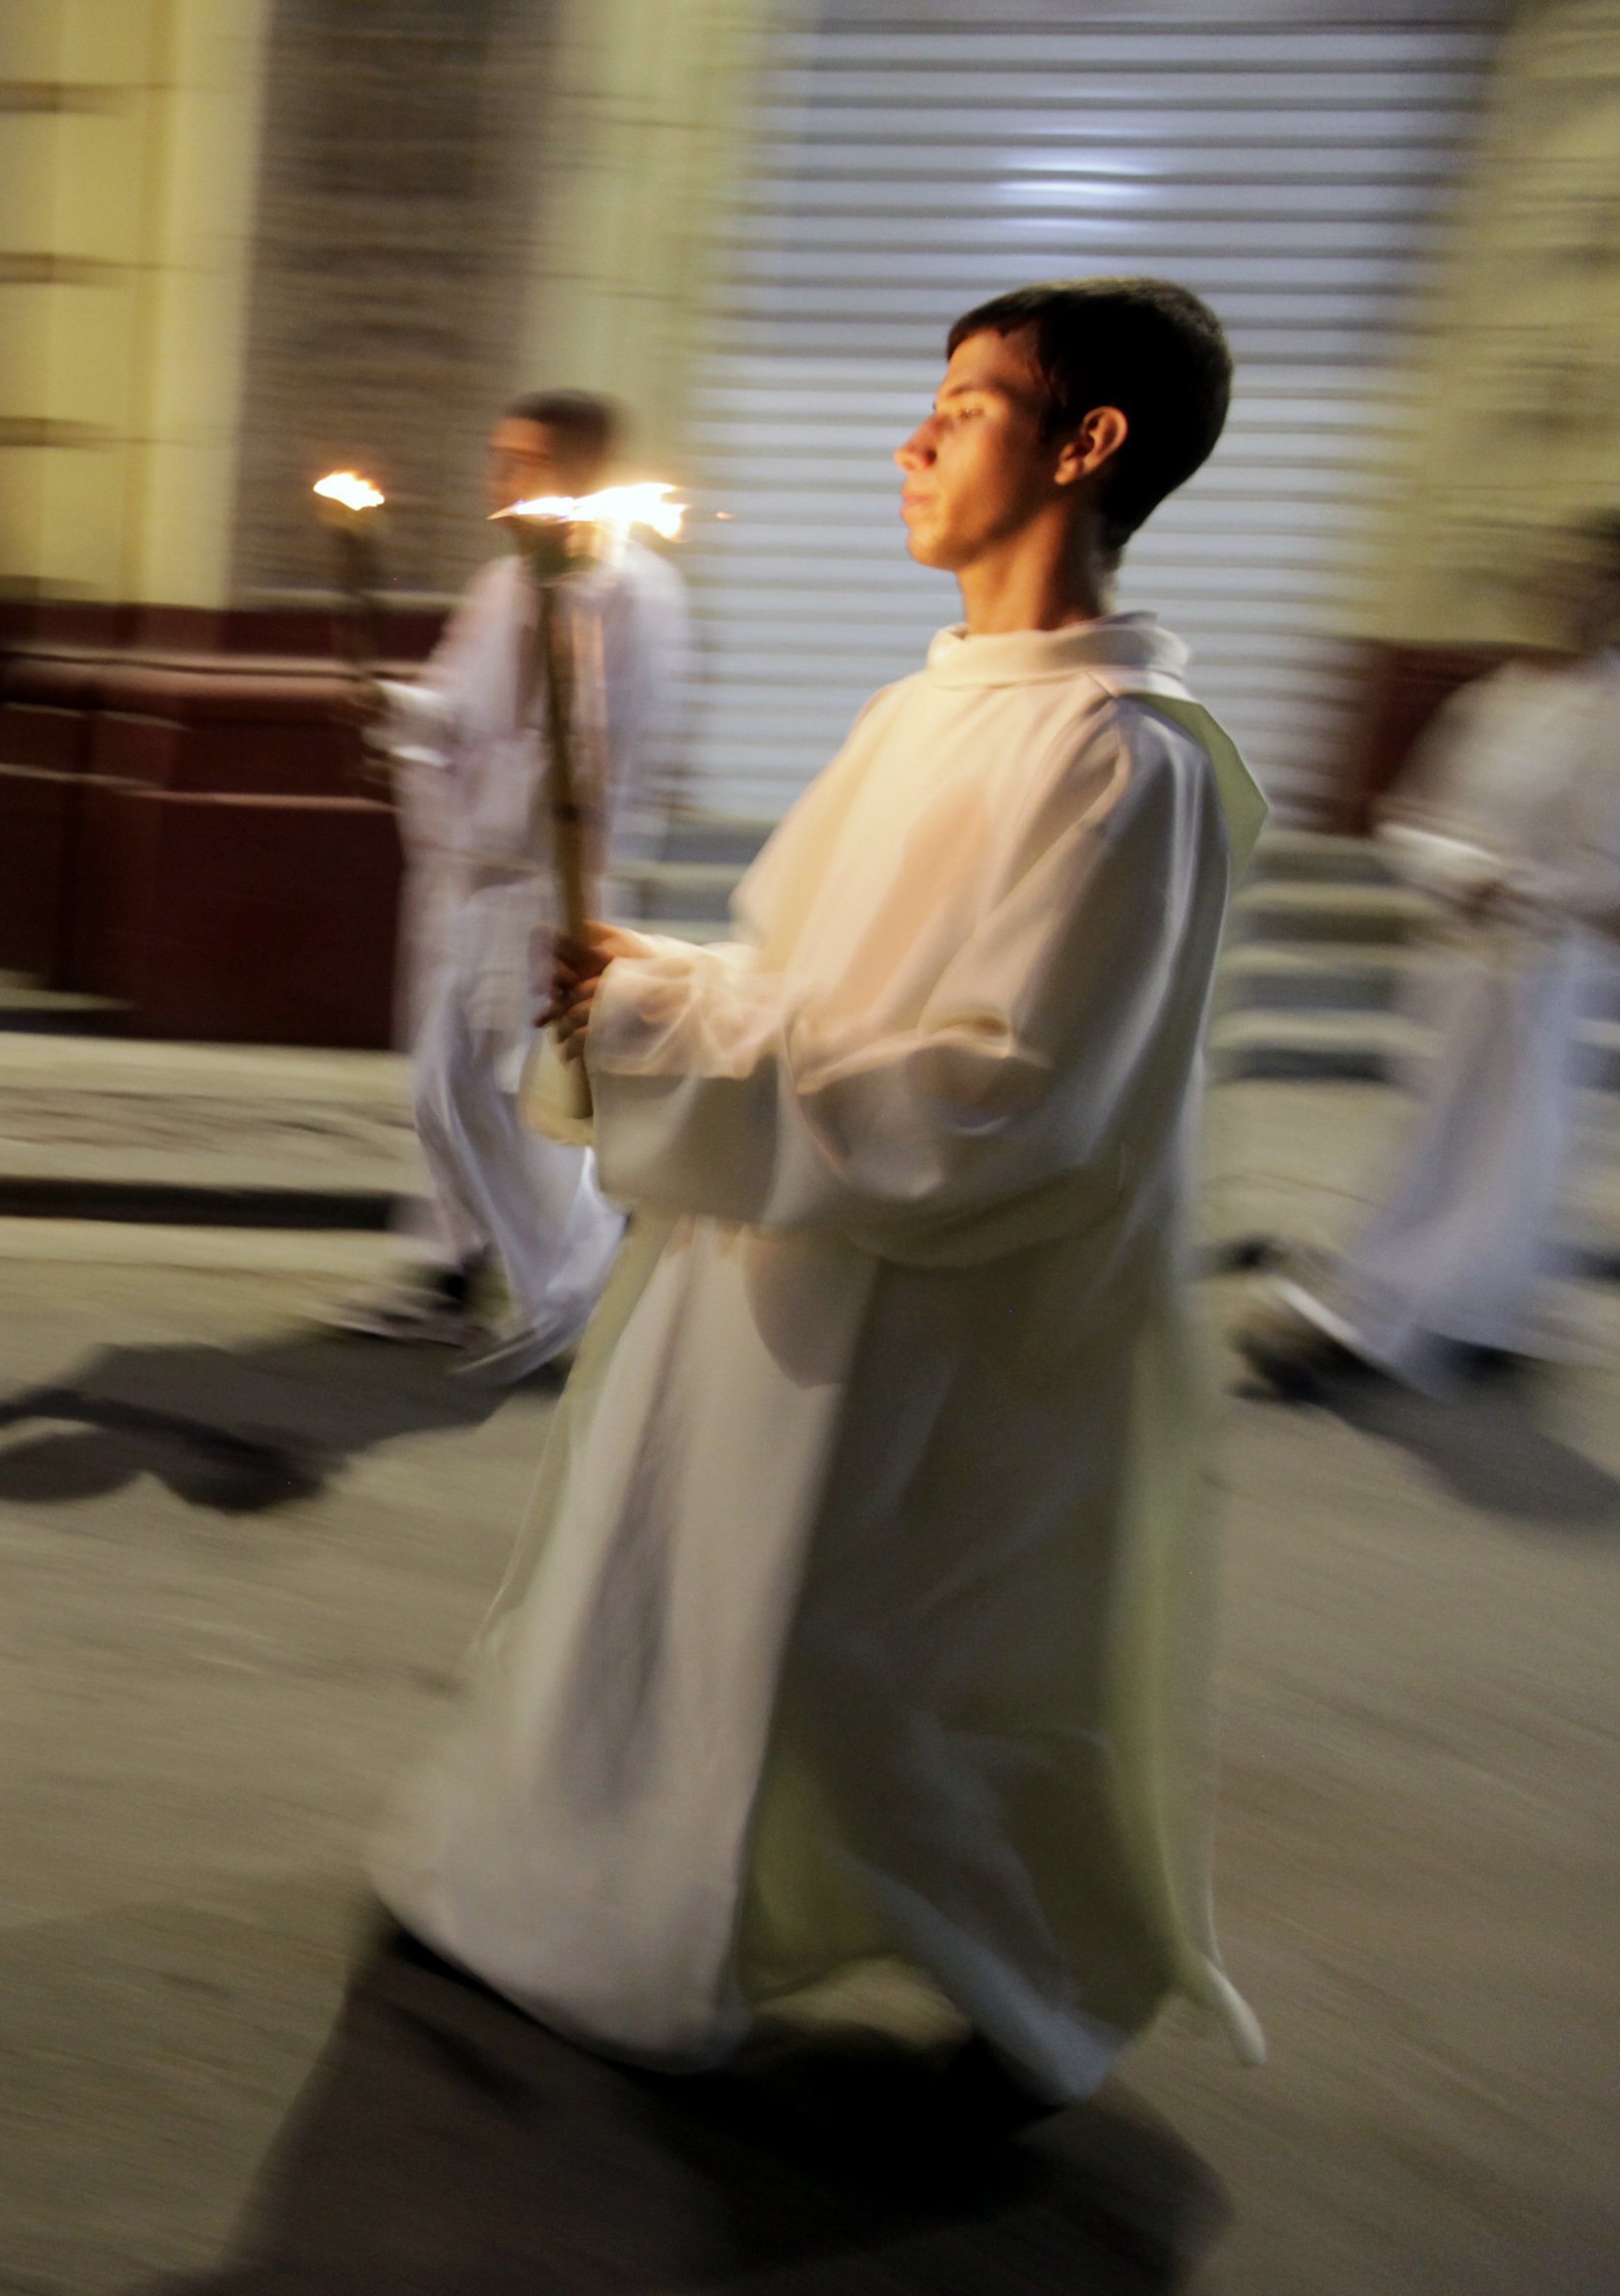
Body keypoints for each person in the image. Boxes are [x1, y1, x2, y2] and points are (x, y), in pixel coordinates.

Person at [375, 278, 1267, 2114]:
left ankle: (1035, 1981)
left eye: (962, 402)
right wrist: (665, 986)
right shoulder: (932, 710)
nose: (911, 440)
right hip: (772, 1266)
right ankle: (583, 1902)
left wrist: (669, 1024)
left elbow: (1011, 1100)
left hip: (929, 1321)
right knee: (702, 1620)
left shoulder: (1127, 758)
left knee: (879, 1672)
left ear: (1086, 444)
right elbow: (828, 992)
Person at [326, 391, 691, 1375]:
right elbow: (459, 704)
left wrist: (542, 855)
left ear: (577, 470)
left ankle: (564, 1295)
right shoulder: (501, 584)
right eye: (498, 456)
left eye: (519, 460)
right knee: (447, 1094)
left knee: (531, 1105)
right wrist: (390, 708)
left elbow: (603, 751)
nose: (498, 480)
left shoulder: (633, 591)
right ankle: (472, 1276)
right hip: (472, 880)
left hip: (550, 887)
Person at [1238, 516, 1620, 1397]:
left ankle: (1390, 1319)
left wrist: (1537, 900)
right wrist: (1463, 875)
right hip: (1455, 960)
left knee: (1503, 1151)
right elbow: (1417, 819)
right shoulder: (1501, 698)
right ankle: (1460, 1310)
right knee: (1435, 1142)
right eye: (1568, 578)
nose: (1573, 598)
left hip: (1548, 972)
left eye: (1599, 583)